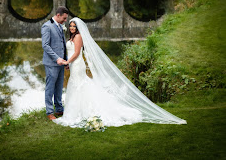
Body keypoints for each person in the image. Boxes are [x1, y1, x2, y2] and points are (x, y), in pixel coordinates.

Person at [53, 17, 187, 127]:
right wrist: (68, 63)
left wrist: (66, 62)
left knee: (79, 84)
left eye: (74, 26)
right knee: (76, 85)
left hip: (77, 64)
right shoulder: (71, 37)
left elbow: (76, 53)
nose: (71, 28)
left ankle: (81, 112)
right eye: (70, 26)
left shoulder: (78, 37)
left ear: (78, 28)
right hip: (73, 64)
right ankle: (76, 112)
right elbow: (72, 52)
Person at [41, 6, 69, 120]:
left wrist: (65, 60)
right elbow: (45, 45)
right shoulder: (46, 26)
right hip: (52, 63)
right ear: (58, 15)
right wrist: (57, 58)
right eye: (64, 18)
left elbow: (63, 45)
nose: (65, 20)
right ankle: (49, 112)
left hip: (61, 63)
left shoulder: (60, 26)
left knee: (59, 87)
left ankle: (59, 109)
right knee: (50, 87)